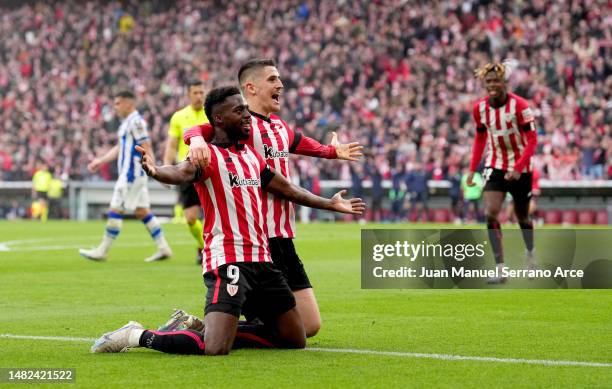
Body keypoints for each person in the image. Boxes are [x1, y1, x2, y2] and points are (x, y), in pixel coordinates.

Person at [90, 86, 365, 355]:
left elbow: (288, 189)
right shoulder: (207, 156)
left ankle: (200, 328)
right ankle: (137, 335)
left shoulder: (251, 157)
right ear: (219, 119)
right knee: (216, 347)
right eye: (239, 110)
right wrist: (155, 171)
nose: (247, 115)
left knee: (295, 338)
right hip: (229, 260)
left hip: (263, 260)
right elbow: (179, 171)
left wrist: (328, 203)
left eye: (246, 109)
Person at [183, 59, 363, 337]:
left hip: (283, 235)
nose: (280, 84)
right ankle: (207, 333)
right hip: (255, 240)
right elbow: (199, 130)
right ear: (250, 88)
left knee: (310, 326)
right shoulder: (239, 125)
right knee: (281, 328)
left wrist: (331, 152)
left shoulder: (279, 126)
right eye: (272, 79)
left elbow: (301, 143)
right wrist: (194, 140)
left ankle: (208, 329)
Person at [79, 90, 172, 263]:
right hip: (134, 175)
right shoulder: (127, 123)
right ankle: (163, 247)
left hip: (131, 175)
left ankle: (102, 251)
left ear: (129, 104)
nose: (115, 107)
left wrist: (156, 170)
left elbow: (146, 145)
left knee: (115, 209)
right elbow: (120, 147)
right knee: (142, 211)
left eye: (118, 103)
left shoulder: (136, 122)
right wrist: (101, 160)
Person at [466, 62, 538, 283]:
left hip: (521, 167)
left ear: (504, 81)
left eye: (496, 80)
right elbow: (480, 139)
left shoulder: (520, 106)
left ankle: (531, 255)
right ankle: (500, 269)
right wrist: (472, 169)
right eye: (488, 81)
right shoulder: (479, 108)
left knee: (522, 217)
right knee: (491, 213)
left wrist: (518, 168)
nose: (492, 85)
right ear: (484, 84)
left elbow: (533, 140)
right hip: (495, 164)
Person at [163, 80, 209, 264]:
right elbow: (172, 145)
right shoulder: (179, 117)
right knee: (190, 218)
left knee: (215, 215)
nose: (199, 96)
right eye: (195, 93)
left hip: (209, 170)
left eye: (201, 92)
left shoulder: (211, 114)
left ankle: (212, 250)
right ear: (188, 95)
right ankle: (203, 246)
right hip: (187, 171)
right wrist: (166, 167)